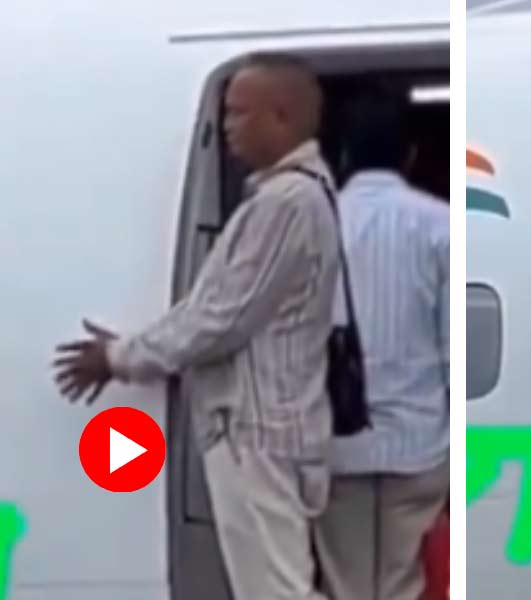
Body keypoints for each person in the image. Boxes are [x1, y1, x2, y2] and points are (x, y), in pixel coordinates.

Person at [52, 53, 338, 600]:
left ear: (281, 116)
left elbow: (219, 319)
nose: (226, 126)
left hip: (259, 433)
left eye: (238, 113)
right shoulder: (291, 197)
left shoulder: (286, 204)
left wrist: (119, 358)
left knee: (276, 590)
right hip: (266, 429)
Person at [313, 91, 449, 600]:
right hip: (419, 443)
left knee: (345, 583)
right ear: (410, 154)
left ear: (342, 157)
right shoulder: (440, 224)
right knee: (403, 583)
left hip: (334, 439)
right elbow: (453, 348)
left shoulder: (314, 221)